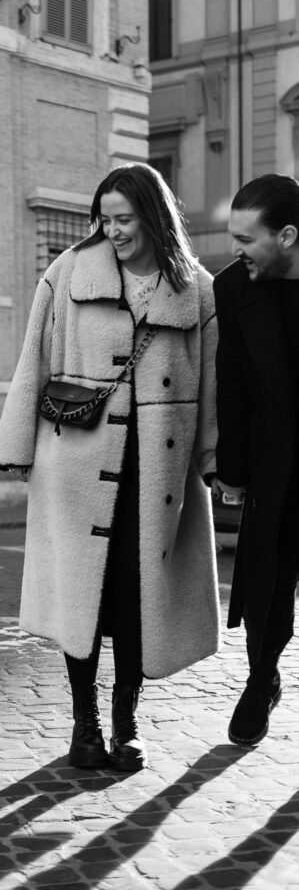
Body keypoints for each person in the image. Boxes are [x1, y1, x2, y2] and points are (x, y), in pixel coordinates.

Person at [0, 163, 219, 771]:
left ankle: (127, 721)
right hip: (76, 464)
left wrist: (217, 461)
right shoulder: (68, 272)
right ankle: (83, 723)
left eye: (124, 218)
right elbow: (32, 358)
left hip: (158, 477)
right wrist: (17, 444)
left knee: (137, 596)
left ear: (154, 215)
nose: (112, 230)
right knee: (81, 599)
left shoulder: (196, 289)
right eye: (105, 218)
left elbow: (213, 385)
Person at [213, 173, 299, 747]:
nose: (235, 250)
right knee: (271, 576)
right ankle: (261, 675)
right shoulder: (233, 287)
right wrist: (233, 471)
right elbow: (234, 382)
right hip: (277, 455)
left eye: (246, 238)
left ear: (288, 235)